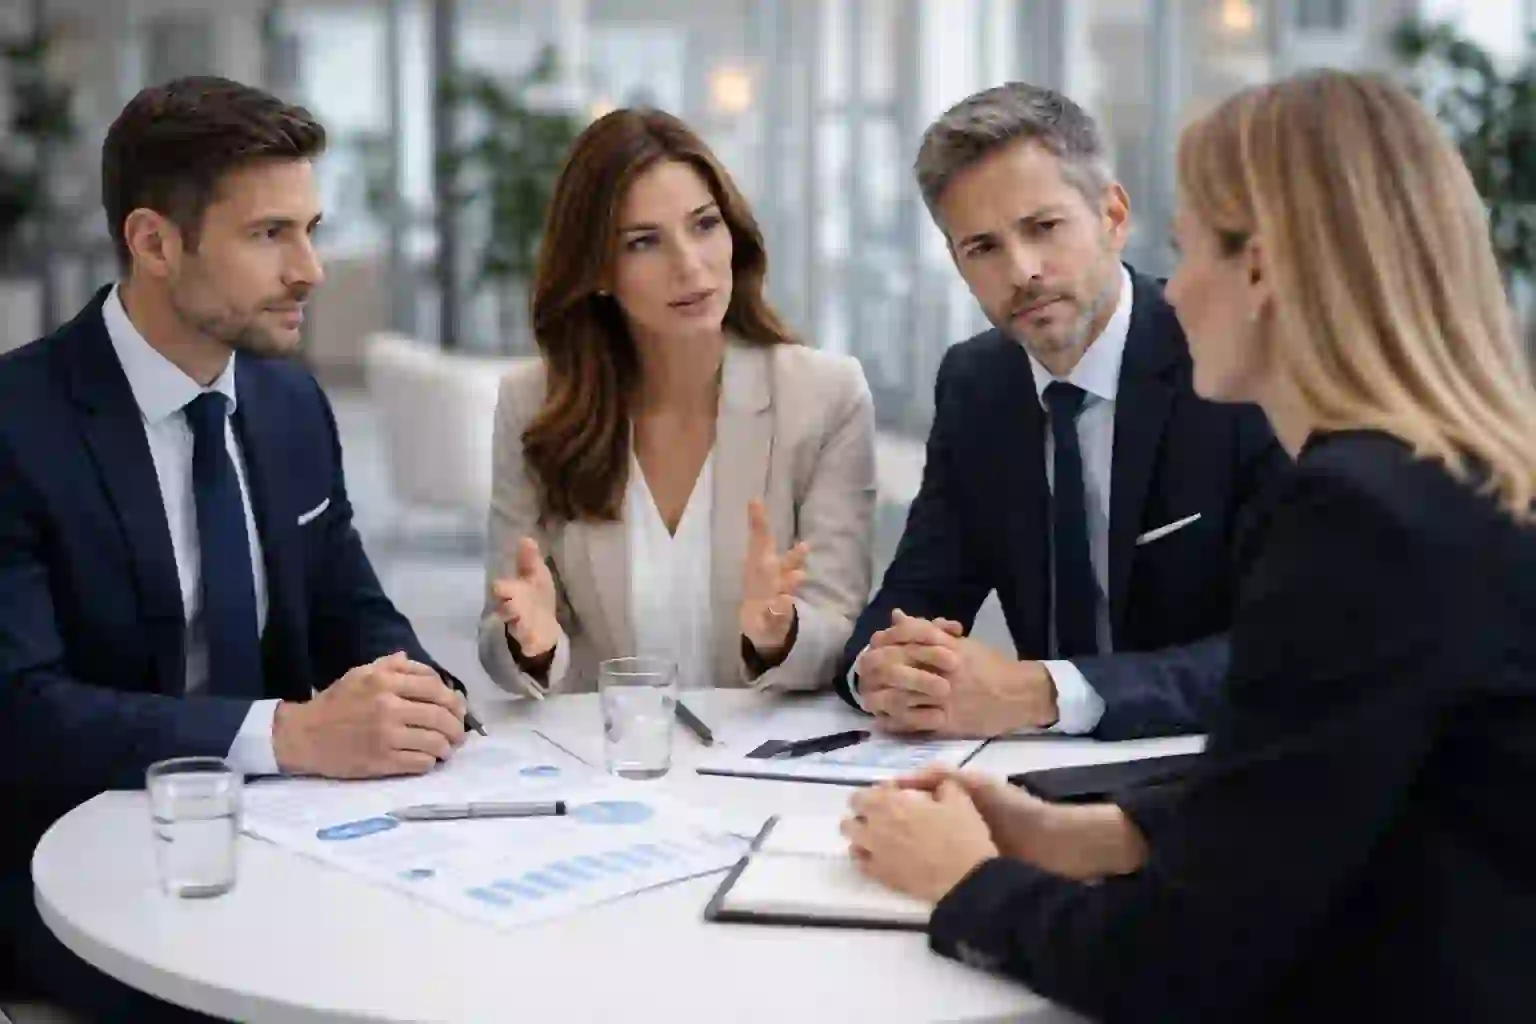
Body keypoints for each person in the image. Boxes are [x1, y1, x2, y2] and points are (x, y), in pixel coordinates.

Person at [841, 69, 1536, 1022]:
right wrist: (1077, 835)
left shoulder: (1361, 517)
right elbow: (1325, 778)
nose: (1179, 286)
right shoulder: (1447, 479)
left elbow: (1177, 965)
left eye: (1191, 245)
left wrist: (965, 882)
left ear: (1265, 271)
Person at [0, 77, 473, 1020]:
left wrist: (426, 698)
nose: (311, 269)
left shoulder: (290, 406)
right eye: (270, 235)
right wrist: (288, 735)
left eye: (312, 227)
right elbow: (20, 711)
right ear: (154, 243)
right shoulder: (17, 424)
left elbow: (355, 616)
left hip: (286, 844)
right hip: (75, 868)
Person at [839, 84, 1282, 741]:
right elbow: (914, 601)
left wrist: (1044, 692)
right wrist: (880, 671)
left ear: (1112, 214)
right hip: (1036, 779)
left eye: (1043, 228)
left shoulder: (1228, 364)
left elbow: (1283, 654)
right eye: (982, 248)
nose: (1022, 271)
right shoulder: (977, 384)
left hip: (1207, 774)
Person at [478, 108, 874, 697]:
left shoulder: (825, 397)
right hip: (607, 763)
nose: (689, 265)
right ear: (598, 271)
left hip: (760, 767)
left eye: (704, 225)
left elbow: (840, 629)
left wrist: (779, 633)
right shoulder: (533, 403)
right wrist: (528, 644)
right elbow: (498, 632)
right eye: (644, 242)